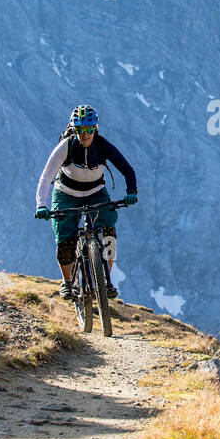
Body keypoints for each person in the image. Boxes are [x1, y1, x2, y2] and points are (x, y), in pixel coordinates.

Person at [33, 104, 137, 301]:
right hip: (66, 193)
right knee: (65, 238)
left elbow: (127, 169)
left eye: (89, 129)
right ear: (74, 129)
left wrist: (132, 191)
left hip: (96, 192)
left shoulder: (102, 145)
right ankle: (67, 283)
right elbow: (46, 177)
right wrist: (41, 204)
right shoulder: (66, 146)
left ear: (95, 128)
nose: (85, 134)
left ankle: (105, 280)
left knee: (108, 230)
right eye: (80, 130)